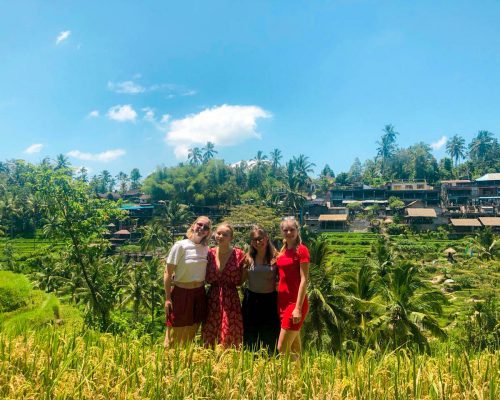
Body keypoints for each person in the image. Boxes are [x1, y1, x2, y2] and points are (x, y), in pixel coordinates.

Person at [164, 216, 212, 347]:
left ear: (208, 232)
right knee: (174, 332)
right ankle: (168, 362)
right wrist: (168, 298)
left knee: (192, 332)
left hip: (199, 293)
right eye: (200, 225)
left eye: (206, 227)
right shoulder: (180, 246)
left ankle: (186, 361)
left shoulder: (206, 249)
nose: (202, 228)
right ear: (193, 226)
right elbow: (168, 273)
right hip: (181, 293)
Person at [202, 222, 247, 348]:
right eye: (218, 233)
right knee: (210, 333)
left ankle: (229, 364)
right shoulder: (209, 254)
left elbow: (242, 279)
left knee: (230, 333)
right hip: (212, 299)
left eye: (225, 234)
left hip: (231, 300)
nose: (220, 236)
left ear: (231, 238)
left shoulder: (239, 254)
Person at [241, 225, 280, 352]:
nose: (258, 242)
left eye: (260, 238)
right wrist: (243, 269)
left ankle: (270, 364)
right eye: (254, 240)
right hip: (251, 299)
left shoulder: (276, 258)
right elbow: (241, 281)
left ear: (266, 238)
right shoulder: (248, 258)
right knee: (250, 335)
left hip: (270, 300)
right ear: (251, 242)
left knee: (270, 335)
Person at [276, 216, 309, 358]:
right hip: (282, 303)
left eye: (292, 229)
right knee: (295, 348)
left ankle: (294, 374)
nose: (289, 232)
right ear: (282, 232)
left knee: (282, 348)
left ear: (297, 230)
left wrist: (298, 308)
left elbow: (304, 279)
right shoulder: (283, 251)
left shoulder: (301, 250)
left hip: (294, 304)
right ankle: (298, 377)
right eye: (285, 230)